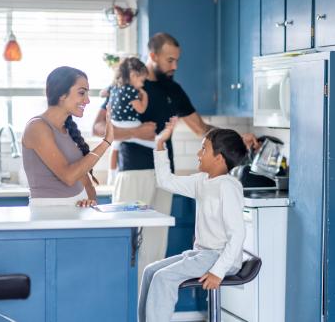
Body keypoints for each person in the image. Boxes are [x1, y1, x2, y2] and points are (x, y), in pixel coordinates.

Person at [92, 33, 258, 282]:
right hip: (134, 172)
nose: (175, 66)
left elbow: (201, 128)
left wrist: (235, 138)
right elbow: (97, 128)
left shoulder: (173, 89)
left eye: (177, 60)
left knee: (155, 249)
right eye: (170, 60)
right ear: (153, 56)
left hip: (163, 175)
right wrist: (137, 132)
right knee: (128, 248)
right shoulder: (129, 82)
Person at [138, 119, 247, 322]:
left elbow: (238, 233)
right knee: (150, 271)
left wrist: (218, 272)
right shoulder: (202, 181)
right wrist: (160, 144)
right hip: (202, 254)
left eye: (203, 149)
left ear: (219, 159)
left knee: (163, 277)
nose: (198, 154)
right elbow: (165, 181)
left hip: (220, 257)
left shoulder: (227, 187)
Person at [22, 66, 114, 207]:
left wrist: (90, 202)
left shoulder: (68, 131)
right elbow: (69, 176)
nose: (87, 100)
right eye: (82, 93)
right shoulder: (37, 127)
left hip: (75, 214)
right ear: (61, 94)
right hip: (48, 215)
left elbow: (86, 183)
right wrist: (106, 142)